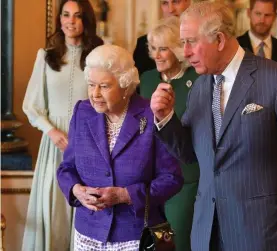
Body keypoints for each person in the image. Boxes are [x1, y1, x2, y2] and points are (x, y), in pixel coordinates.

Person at [150, 2, 277, 251]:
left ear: (219, 39)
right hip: (206, 231)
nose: (185, 52)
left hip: (263, 230)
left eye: (191, 42)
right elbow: (190, 154)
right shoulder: (199, 88)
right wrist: (165, 118)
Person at [56, 44, 183, 250]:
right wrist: (75, 190)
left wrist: (125, 195)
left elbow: (172, 179)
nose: (95, 94)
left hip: (137, 236)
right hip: (88, 233)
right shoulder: (82, 112)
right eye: (91, 85)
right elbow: (66, 168)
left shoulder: (150, 115)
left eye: (104, 86)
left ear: (125, 85)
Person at [21, 0, 103, 250]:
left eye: (77, 16)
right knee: (54, 208)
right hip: (54, 143)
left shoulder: (98, 55)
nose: (70, 21)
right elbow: (31, 104)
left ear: (86, 20)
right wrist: (51, 130)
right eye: (65, 15)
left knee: (83, 208)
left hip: (89, 143)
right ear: (59, 19)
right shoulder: (46, 56)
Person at [139, 16, 199, 251]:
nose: (157, 55)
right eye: (153, 48)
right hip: (152, 182)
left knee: (179, 242)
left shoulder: (197, 79)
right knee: (160, 243)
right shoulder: (146, 79)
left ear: (178, 49)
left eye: (163, 48)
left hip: (185, 179)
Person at [237, 0, 277, 73]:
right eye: (258, 14)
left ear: (275, 16)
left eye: (267, 15)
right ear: (249, 13)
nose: (262, 20)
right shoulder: (235, 47)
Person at [133, 0, 191, 76]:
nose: (171, 10)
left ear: (188, 2)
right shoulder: (143, 44)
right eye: (165, 3)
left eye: (176, 2)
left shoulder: (201, 40)